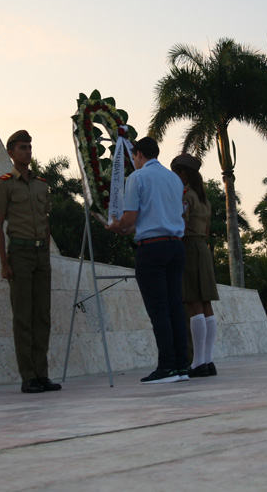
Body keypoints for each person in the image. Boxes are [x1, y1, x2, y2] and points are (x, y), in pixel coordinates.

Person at [107, 137, 188, 384]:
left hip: (152, 249)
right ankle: (181, 365)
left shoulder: (138, 178)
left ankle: (166, 367)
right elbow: (158, 215)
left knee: (159, 310)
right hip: (175, 245)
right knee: (175, 307)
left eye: (134, 156)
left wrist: (115, 226)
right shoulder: (173, 178)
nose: (134, 161)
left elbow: (131, 217)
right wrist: (128, 227)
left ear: (139, 154)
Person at [0, 130, 61, 394]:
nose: (27, 152)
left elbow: (46, 222)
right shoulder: (5, 183)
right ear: (11, 152)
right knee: (23, 317)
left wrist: (46, 253)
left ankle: (42, 374)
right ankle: (28, 376)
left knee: (42, 316)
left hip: (40, 254)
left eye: (29, 147)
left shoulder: (41, 184)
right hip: (18, 254)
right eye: (22, 148)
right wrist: (4, 262)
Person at [170, 153, 220, 378]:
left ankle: (198, 362)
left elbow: (179, 225)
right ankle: (207, 360)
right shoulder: (204, 199)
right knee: (206, 304)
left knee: (192, 303)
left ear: (182, 174)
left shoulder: (186, 196)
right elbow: (207, 231)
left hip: (189, 247)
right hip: (203, 248)